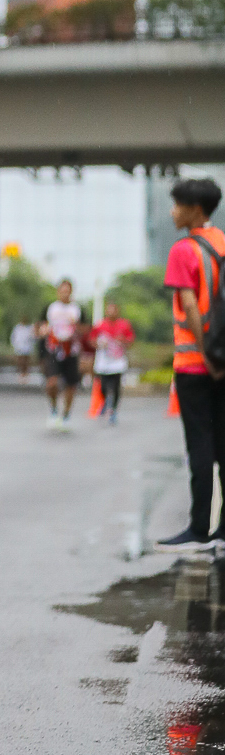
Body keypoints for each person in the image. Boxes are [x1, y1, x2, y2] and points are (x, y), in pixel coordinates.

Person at [156, 177, 225, 553]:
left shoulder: (184, 250)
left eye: (177, 205)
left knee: (200, 445)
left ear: (195, 209)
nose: (173, 212)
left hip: (196, 365)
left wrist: (209, 357)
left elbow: (190, 307)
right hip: (224, 362)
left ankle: (199, 528)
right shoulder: (223, 243)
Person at [43, 279, 83, 430]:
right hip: (54, 349)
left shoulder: (77, 309)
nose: (65, 293)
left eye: (67, 291)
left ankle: (66, 415)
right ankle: (54, 410)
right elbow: (42, 325)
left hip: (71, 351)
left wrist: (75, 328)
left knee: (70, 386)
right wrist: (43, 330)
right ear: (58, 291)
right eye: (62, 290)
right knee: (52, 382)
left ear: (71, 292)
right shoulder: (51, 308)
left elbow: (85, 329)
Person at [92, 300, 134, 425]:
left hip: (118, 362)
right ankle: (106, 402)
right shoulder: (100, 325)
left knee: (115, 386)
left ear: (117, 311)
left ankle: (113, 410)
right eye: (109, 310)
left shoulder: (124, 325)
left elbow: (130, 340)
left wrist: (123, 341)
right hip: (104, 362)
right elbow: (92, 340)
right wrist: (99, 344)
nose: (111, 312)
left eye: (114, 310)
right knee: (104, 386)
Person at [10, 317, 37, 384]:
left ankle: (25, 374)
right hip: (19, 347)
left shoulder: (29, 328)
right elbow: (14, 337)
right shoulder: (17, 328)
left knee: (26, 361)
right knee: (20, 361)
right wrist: (15, 345)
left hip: (27, 347)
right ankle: (21, 374)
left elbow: (33, 337)